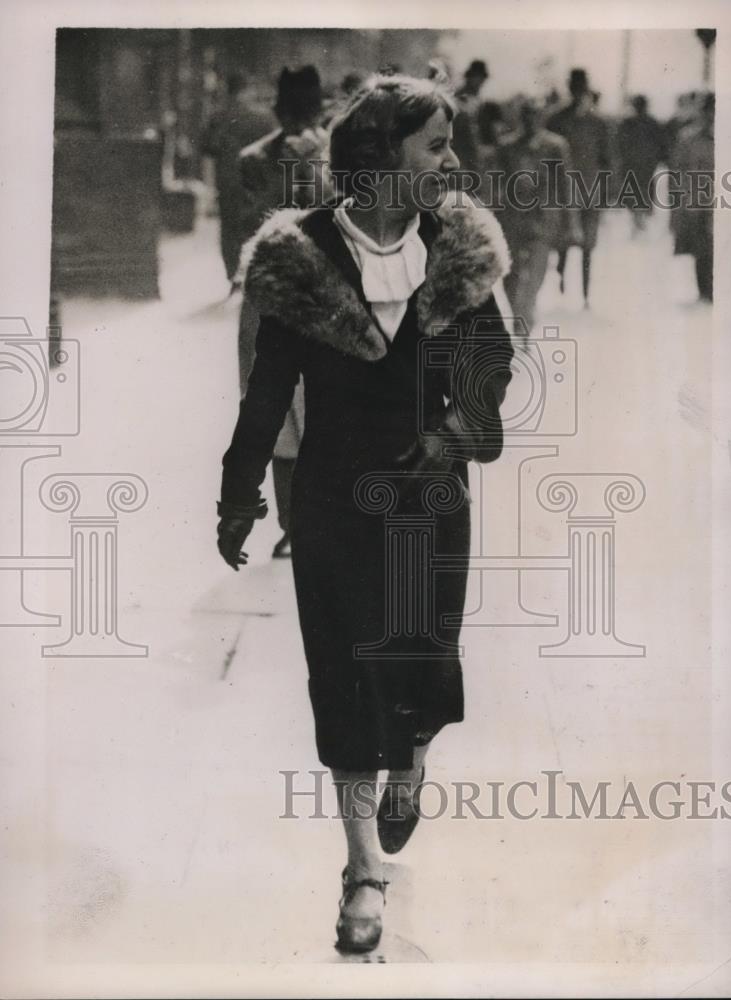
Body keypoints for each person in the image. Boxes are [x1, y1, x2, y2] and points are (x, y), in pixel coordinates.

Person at [216, 74, 514, 953]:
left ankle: (412, 760)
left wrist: (456, 428)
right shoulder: (298, 256)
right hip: (335, 502)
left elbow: (495, 361)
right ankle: (361, 873)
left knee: (421, 658)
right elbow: (267, 390)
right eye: (436, 146)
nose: (453, 160)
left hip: (430, 499)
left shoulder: (460, 243)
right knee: (343, 676)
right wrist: (240, 494)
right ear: (380, 156)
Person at [234, 66, 330, 558]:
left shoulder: (340, 157)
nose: (297, 121)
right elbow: (265, 223)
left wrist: (317, 168)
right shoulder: (255, 160)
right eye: (291, 111)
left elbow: (339, 218)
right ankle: (293, 524)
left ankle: (315, 521)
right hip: (270, 298)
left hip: (322, 302)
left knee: (322, 413)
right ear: (277, 110)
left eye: (306, 111)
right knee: (274, 415)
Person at [498, 97, 572, 337]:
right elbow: (496, 184)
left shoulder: (555, 146)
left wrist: (571, 222)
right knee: (511, 274)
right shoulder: (507, 146)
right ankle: (519, 314)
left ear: (542, 118)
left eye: (535, 115)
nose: (531, 120)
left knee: (537, 271)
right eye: (526, 115)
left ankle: (526, 316)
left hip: (543, 220)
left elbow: (565, 185)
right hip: (513, 219)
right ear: (520, 118)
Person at [200, 72, 275, 282]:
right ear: (247, 90)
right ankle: (251, 274)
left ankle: (232, 275)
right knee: (254, 226)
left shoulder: (217, 117)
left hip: (227, 181)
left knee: (229, 230)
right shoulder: (263, 118)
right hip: (255, 183)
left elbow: (207, 149)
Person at [547, 68, 611, 306]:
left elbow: (607, 160)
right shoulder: (556, 119)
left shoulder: (597, 123)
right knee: (563, 242)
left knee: (588, 247)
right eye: (574, 87)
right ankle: (561, 279)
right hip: (563, 192)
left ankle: (585, 295)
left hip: (590, 191)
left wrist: (606, 193)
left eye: (580, 87)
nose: (577, 92)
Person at [670, 92, 714, 302]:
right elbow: (677, 172)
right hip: (696, 201)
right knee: (702, 246)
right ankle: (705, 290)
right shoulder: (688, 138)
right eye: (708, 111)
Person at [616, 95, 664, 234]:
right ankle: (638, 218)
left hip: (639, 164)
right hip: (640, 164)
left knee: (637, 191)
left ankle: (638, 219)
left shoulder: (631, 122)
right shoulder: (645, 122)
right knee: (639, 191)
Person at [451, 59, 490, 175]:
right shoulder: (460, 96)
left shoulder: (478, 99)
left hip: (474, 150)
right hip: (460, 147)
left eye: (482, 78)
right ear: (470, 77)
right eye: (478, 77)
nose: (481, 82)